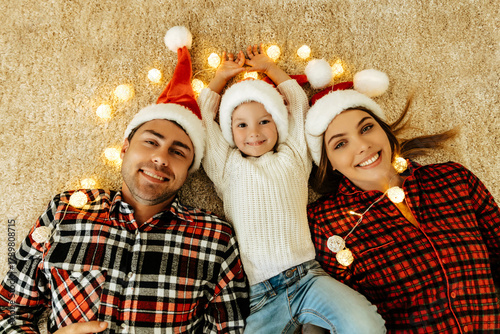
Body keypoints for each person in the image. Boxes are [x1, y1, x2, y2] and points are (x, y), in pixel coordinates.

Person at [0, 26, 249, 334]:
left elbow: (231, 329)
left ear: (189, 170)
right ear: (124, 149)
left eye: (178, 152)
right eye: (150, 142)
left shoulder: (216, 238)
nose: (160, 157)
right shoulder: (66, 210)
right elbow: (8, 309)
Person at [198, 45, 386, 333]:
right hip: (259, 296)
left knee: (366, 326)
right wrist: (220, 78)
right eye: (242, 125)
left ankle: (313, 324)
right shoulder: (226, 166)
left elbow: (298, 102)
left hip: (308, 278)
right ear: (229, 131)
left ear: (278, 122)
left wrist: (270, 68)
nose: (254, 133)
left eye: (264, 121)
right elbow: (203, 118)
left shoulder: (294, 157)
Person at [304, 68, 500, 332]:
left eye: (367, 128)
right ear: (331, 164)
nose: (362, 146)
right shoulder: (324, 222)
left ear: (384, 131)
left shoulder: (454, 179)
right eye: (340, 144)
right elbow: (338, 316)